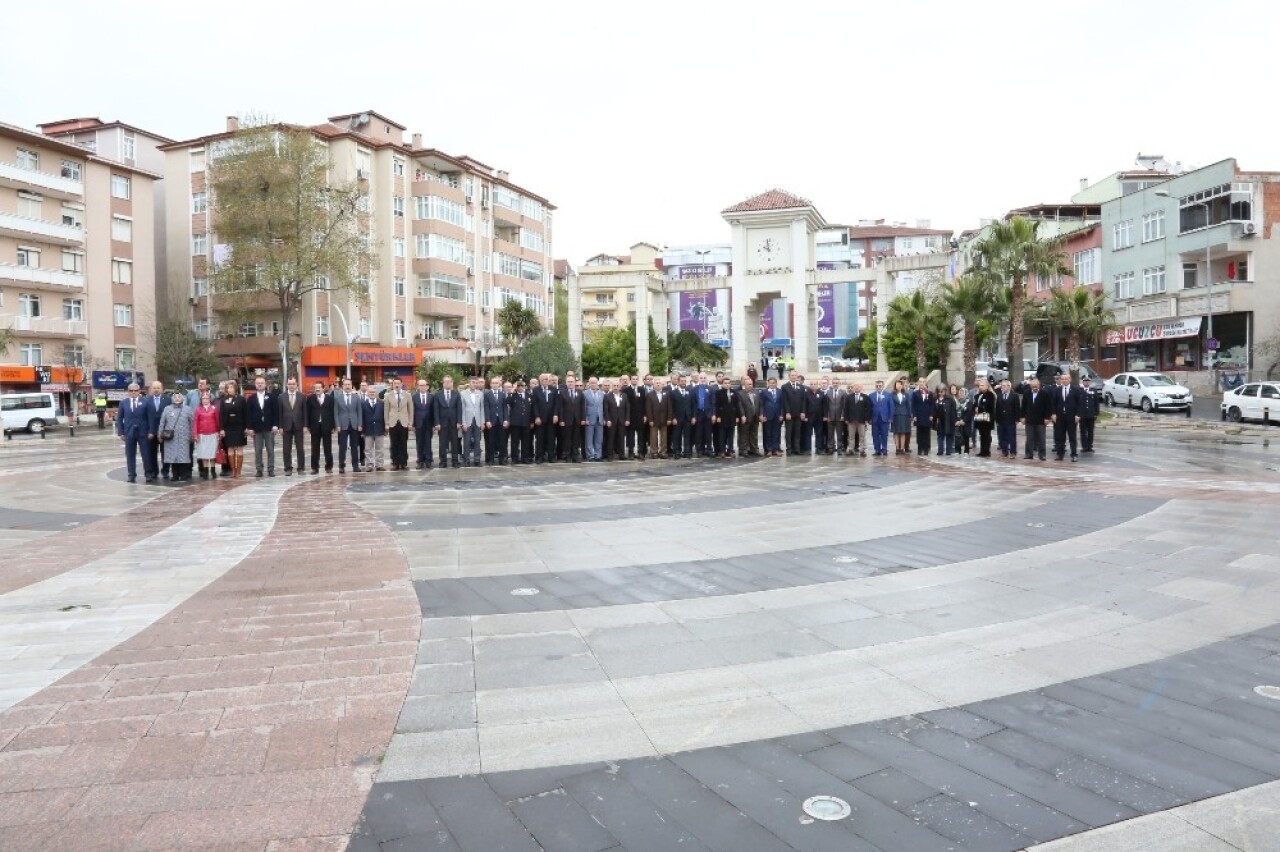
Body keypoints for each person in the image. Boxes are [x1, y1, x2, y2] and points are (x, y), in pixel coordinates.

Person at [158, 391, 194, 482]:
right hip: (171, 437)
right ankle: (175, 475)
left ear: (182, 399)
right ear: (172, 399)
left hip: (184, 437)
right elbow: (162, 422)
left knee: (183, 456)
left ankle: (184, 474)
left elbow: (192, 423)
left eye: (179, 397)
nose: (177, 399)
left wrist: (192, 434)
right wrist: (160, 434)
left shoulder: (188, 409)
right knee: (173, 456)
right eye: (175, 397)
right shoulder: (167, 409)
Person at [246, 376, 278, 478]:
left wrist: (275, 425)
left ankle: (271, 469)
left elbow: (275, 412)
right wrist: (250, 428)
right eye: (258, 383)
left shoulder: (272, 397)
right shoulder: (251, 399)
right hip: (257, 428)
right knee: (258, 450)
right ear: (255, 385)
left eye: (262, 383)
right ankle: (259, 469)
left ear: (265, 384)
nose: (260, 384)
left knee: (270, 450)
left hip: (269, 427)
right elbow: (249, 414)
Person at [117, 383, 147, 483]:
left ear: (139, 391)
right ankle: (131, 475)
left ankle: (148, 474)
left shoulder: (145, 402)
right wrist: (120, 432)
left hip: (143, 432)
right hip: (129, 432)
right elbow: (120, 418)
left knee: (145, 454)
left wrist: (150, 431)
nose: (133, 392)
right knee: (130, 455)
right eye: (131, 391)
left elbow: (149, 417)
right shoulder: (123, 403)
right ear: (128, 392)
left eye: (135, 390)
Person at [277, 377, 307, 475]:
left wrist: (305, 426)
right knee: (286, 448)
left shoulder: (302, 396)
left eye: (293, 384)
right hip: (286, 426)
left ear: (296, 384)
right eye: (290, 384)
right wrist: (280, 426)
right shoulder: (281, 397)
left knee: (300, 448)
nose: (291, 386)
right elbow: (279, 413)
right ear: (287, 385)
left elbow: (305, 413)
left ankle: (301, 468)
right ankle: (288, 468)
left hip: (299, 425)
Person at [218, 381, 247, 478]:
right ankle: (233, 471)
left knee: (239, 447)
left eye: (230, 388)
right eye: (227, 388)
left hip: (239, 426)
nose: (228, 390)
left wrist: (246, 427)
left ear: (235, 388)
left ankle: (238, 471)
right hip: (228, 427)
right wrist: (221, 428)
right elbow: (221, 415)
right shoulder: (224, 400)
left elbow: (246, 413)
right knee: (230, 448)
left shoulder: (241, 399)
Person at [334, 377, 363, 473]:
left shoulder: (356, 397)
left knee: (354, 446)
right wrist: (337, 425)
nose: (347, 386)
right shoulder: (338, 398)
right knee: (342, 446)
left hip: (354, 424)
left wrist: (360, 424)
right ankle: (341, 466)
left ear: (352, 386)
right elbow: (336, 413)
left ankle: (355, 466)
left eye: (349, 384)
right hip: (342, 425)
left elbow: (359, 411)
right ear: (343, 386)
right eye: (345, 385)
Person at [1051, 372, 1082, 461]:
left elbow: (1079, 403)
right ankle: (1060, 454)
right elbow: (1053, 403)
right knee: (1060, 437)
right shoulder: (1057, 390)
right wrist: (1053, 413)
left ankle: (1074, 454)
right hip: (1060, 417)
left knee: (1072, 437)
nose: (1064, 380)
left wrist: (1078, 414)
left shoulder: (1075, 390)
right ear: (1061, 380)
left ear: (1070, 380)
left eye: (1066, 379)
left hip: (1071, 417)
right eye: (1062, 379)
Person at [306, 380, 335, 473]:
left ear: (323, 388)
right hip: (314, 427)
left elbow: (333, 413)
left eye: (319, 387)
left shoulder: (330, 399)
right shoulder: (310, 399)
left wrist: (333, 425)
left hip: (327, 427)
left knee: (327, 448)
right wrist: (307, 426)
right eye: (316, 387)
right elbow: (307, 413)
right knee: (315, 448)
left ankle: (329, 467)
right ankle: (315, 468)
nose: (317, 389)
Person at [433, 376, 462, 468]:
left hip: (454, 423)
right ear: (443, 383)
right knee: (442, 444)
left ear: (452, 383)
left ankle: (455, 461)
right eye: (446, 382)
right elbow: (436, 410)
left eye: (449, 382)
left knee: (455, 443)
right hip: (442, 423)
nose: (448, 383)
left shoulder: (456, 394)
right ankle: (443, 461)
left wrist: (459, 421)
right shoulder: (438, 395)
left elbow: (459, 409)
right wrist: (437, 423)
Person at [1020, 377, 1051, 461]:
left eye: (1036, 386)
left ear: (1039, 385)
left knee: (1041, 438)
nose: (1034, 388)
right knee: (1029, 438)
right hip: (1029, 420)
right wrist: (1022, 417)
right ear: (1030, 386)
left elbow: (1048, 407)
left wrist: (1047, 418)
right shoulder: (1026, 393)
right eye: (1033, 386)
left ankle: (1042, 455)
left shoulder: (1045, 393)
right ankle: (1029, 454)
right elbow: (1023, 406)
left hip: (1041, 420)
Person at [384, 377, 412, 471]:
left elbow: (411, 410)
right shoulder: (388, 395)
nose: (396, 385)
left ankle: (403, 463)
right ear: (392, 385)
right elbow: (386, 410)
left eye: (398, 383)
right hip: (393, 422)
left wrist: (410, 422)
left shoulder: (407, 395)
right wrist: (386, 423)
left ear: (401, 384)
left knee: (403, 443)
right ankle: (395, 463)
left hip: (404, 422)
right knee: (394, 443)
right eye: (395, 383)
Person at [193, 389, 221, 479]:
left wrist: (219, 431)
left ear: (210, 399)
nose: (205, 400)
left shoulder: (214, 408)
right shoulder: (198, 410)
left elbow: (217, 421)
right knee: (204, 453)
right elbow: (195, 423)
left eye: (207, 398)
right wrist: (195, 434)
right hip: (202, 434)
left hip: (213, 434)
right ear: (201, 400)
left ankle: (213, 471)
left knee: (212, 454)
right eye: (203, 398)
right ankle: (205, 471)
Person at [458, 376, 486, 466]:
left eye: (476, 382)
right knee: (467, 441)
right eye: (473, 382)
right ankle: (466, 460)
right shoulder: (462, 394)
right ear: (469, 383)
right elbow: (461, 409)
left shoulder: (480, 394)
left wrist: (482, 422)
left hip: (477, 420)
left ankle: (477, 460)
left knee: (478, 441)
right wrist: (463, 422)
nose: (475, 384)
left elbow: (482, 409)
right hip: (467, 420)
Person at [143, 380, 168, 483]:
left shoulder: (168, 400)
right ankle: (154, 471)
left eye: (158, 388)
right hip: (151, 432)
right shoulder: (146, 401)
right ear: (151, 389)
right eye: (154, 388)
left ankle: (165, 471)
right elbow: (144, 417)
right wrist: (149, 431)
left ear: (162, 389)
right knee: (152, 454)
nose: (156, 390)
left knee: (165, 453)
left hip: (164, 432)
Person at [557, 377, 585, 463]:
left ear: (574, 383)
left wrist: (583, 419)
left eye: (572, 382)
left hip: (577, 419)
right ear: (566, 383)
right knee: (567, 439)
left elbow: (582, 407)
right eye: (569, 382)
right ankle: (567, 456)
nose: (570, 383)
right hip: (566, 419)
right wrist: (561, 420)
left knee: (576, 439)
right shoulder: (562, 393)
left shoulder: (580, 393)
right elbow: (560, 407)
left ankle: (575, 456)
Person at [531, 375, 558, 463]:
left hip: (551, 419)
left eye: (546, 379)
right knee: (540, 439)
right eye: (543, 379)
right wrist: (537, 417)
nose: (545, 381)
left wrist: (555, 415)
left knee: (551, 438)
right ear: (540, 380)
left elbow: (556, 404)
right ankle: (539, 457)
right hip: (540, 419)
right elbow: (534, 405)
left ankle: (551, 456)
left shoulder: (553, 389)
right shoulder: (536, 390)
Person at [361, 386, 387, 471]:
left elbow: (384, 416)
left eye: (373, 392)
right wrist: (362, 429)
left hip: (379, 428)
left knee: (380, 448)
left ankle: (379, 465)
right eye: (370, 392)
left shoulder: (381, 403)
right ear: (368, 393)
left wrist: (385, 427)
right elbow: (362, 417)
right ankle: (369, 465)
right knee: (368, 449)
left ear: (376, 394)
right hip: (368, 429)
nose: (372, 393)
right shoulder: (363, 404)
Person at [505, 381, 532, 464]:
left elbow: (531, 409)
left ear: (525, 386)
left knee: (526, 441)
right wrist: (511, 392)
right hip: (515, 422)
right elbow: (507, 401)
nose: (520, 387)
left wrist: (531, 421)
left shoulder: (529, 396)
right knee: (514, 441)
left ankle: (525, 457)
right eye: (519, 385)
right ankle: (514, 458)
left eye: (522, 385)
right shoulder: (513, 396)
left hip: (526, 422)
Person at [644, 378, 671, 459]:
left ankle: (663, 452)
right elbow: (648, 409)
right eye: (656, 383)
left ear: (662, 385)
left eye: (659, 383)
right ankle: (654, 452)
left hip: (664, 419)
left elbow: (669, 407)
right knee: (653, 437)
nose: (658, 384)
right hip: (654, 419)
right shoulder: (650, 395)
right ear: (654, 385)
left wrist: (669, 418)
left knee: (664, 437)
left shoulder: (666, 394)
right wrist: (650, 420)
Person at [994, 379, 1021, 458]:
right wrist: (997, 419)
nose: (1002, 387)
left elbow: (1017, 408)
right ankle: (1004, 451)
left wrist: (1017, 419)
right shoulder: (999, 396)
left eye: (1004, 386)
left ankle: (1013, 452)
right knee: (1002, 436)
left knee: (1011, 437)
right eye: (1002, 386)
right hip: (1001, 420)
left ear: (1009, 386)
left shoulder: (1014, 395)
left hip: (1011, 420)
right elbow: (997, 408)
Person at [484, 377, 508, 465]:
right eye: (493, 383)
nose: (495, 384)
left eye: (496, 383)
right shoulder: (487, 394)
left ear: (499, 384)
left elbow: (505, 408)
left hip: (501, 420)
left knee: (502, 441)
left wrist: (506, 419)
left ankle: (502, 459)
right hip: (491, 421)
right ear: (490, 384)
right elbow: (486, 408)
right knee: (491, 441)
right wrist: (487, 420)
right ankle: (491, 459)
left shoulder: (502, 394)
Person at [781, 371, 806, 456]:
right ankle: (789, 449)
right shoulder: (784, 387)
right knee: (789, 432)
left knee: (797, 432)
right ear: (789, 376)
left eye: (795, 375)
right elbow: (785, 401)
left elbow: (803, 400)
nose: (794, 377)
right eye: (792, 375)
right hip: (789, 414)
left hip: (798, 414)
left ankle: (797, 449)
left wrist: (803, 412)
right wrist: (787, 412)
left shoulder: (801, 387)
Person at [734, 376, 760, 457]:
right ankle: (743, 450)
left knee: (754, 434)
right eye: (748, 384)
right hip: (745, 417)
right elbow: (740, 405)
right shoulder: (740, 393)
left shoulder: (756, 392)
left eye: (751, 384)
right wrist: (742, 415)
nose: (750, 386)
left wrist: (761, 414)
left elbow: (760, 404)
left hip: (755, 417)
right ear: (744, 385)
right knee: (743, 434)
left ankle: (754, 449)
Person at [604, 379, 629, 461]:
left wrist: (627, 419)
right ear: (612, 386)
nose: (615, 387)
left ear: (620, 387)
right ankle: (610, 455)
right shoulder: (607, 396)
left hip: (622, 420)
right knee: (611, 438)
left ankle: (622, 454)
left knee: (621, 438)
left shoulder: (624, 396)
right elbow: (606, 409)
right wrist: (607, 420)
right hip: (611, 421)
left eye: (617, 386)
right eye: (614, 386)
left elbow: (627, 408)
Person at [670, 374, 694, 458]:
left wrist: (693, 417)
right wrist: (673, 417)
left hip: (688, 418)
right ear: (678, 381)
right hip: (677, 418)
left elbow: (693, 405)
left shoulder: (690, 392)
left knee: (687, 436)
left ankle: (687, 452)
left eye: (685, 381)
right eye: (682, 381)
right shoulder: (673, 393)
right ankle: (677, 452)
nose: (683, 383)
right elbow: (671, 407)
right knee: (677, 436)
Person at [844, 382, 870, 457]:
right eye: (855, 387)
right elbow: (846, 409)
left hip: (861, 420)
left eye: (858, 387)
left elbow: (868, 409)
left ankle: (862, 450)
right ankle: (851, 449)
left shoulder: (865, 397)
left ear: (861, 388)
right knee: (851, 436)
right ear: (853, 388)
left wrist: (866, 419)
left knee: (862, 436)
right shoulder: (849, 397)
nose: (856, 388)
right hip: (851, 420)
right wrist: (846, 418)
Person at [413, 379, 435, 469]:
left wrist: (434, 423)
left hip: (429, 423)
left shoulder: (432, 397)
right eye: (420, 385)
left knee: (428, 442)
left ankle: (428, 460)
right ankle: (420, 461)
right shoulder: (414, 397)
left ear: (427, 386)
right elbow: (412, 411)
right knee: (419, 442)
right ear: (418, 387)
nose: (422, 387)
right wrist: (412, 424)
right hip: (418, 423)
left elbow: (434, 411)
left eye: (424, 385)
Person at [971, 378, 997, 457]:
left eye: (982, 385)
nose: (980, 387)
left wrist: (980, 408)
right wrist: (975, 408)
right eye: (979, 386)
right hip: (979, 418)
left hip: (987, 419)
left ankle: (986, 451)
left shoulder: (990, 395)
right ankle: (982, 451)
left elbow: (989, 406)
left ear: (987, 386)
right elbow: (975, 404)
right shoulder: (978, 395)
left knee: (986, 435)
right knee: (981, 435)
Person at [760, 377, 784, 457]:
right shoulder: (764, 392)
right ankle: (768, 449)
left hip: (777, 415)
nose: (772, 384)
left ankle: (775, 449)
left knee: (776, 433)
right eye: (770, 383)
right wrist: (762, 415)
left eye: (774, 383)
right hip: (767, 415)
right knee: (767, 433)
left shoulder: (780, 391)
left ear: (776, 383)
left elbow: (782, 404)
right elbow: (761, 405)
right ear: (768, 383)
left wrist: (781, 414)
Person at [713, 376, 737, 457]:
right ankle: (722, 450)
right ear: (722, 384)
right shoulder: (718, 392)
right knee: (722, 435)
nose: (727, 385)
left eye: (728, 383)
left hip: (732, 417)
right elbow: (717, 405)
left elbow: (736, 405)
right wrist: (718, 416)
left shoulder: (734, 392)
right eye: (725, 383)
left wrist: (737, 416)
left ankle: (730, 450)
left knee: (730, 435)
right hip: (722, 417)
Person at [869, 379, 893, 457]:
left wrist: (890, 417)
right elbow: (869, 408)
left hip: (885, 418)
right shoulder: (871, 395)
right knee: (875, 435)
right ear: (875, 386)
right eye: (877, 386)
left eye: (880, 386)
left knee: (884, 434)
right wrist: (869, 418)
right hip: (875, 419)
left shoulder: (888, 395)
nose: (878, 387)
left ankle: (884, 449)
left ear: (883, 386)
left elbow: (891, 407)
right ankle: (877, 450)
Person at [911, 379, 934, 456]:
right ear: (918, 383)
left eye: (923, 382)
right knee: (919, 433)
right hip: (919, 415)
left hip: (927, 415)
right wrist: (914, 415)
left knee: (926, 433)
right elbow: (913, 405)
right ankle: (920, 449)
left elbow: (932, 404)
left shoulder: (930, 393)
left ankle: (926, 449)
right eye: (920, 382)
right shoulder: (915, 393)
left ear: (925, 383)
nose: (922, 383)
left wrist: (931, 414)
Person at [932, 385, 957, 456]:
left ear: (945, 391)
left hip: (949, 420)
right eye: (939, 392)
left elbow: (953, 411)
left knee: (949, 435)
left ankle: (948, 451)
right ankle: (940, 451)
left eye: (942, 391)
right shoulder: (935, 399)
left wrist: (954, 421)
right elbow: (933, 409)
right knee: (940, 436)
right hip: (939, 421)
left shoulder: (950, 399)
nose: (940, 393)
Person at [890, 379, 912, 455]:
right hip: (895, 415)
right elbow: (890, 406)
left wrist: (910, 415)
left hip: (904, 415)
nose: (899, 386)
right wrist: (890, 417)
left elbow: (908, 406)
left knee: (903, 432)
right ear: (895, 386)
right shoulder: (892, 395)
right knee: (896, 432)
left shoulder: (906, 395)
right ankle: (897, 448)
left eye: (900, 384)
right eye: (897, 384)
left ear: (902, 386)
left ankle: (902, 448)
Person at [1079, 376, 1100, 453]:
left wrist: (1096, 413)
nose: (1086, 382)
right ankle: (1084, 446)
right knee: (1083, 431)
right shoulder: (1079, 391)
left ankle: (1090, 446)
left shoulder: (1093, 390)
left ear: (1090, 382)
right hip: (1082, 414)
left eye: (1088, 381)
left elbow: (1096, 403)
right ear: (1082, 382)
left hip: (1091, 414)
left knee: (1091, 431)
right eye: (1085, 381)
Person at [825, 379, 847, 455]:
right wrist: (827, 416)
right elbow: (826, 406)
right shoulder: (828, 392)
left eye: (837, 383)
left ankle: (839, 448)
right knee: (830, 434)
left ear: (839, 383)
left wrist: (843, 415)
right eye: (834, 383)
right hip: (830, 417)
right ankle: (831, 448)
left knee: (839, 434)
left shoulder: (843, 393)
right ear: (832, 384)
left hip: (839, 417)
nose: (835, 384)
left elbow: (845, 406)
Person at [954, 386, 972, 455]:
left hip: (966, 422)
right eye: (960, 393)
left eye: (962, 393)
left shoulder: (969, 402)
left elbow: (969, 412)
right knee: (957, 437)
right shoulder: (957, 402)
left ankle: (966, 450)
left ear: (966, 394)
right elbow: (954, 412)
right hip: (958, 422)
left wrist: (963, 421)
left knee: (966, 436)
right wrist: (957, 420)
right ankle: (958, 450)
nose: (961, 394)